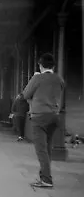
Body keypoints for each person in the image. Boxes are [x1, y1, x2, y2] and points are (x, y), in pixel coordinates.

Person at [22, 53, 64, 188]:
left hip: (39, 116)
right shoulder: (59, 79)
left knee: (41, 149)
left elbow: (26, 94)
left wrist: (34, 78)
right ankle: (44, 176)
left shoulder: (38, 78)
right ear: (53, 66)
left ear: (40, 65)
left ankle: (46, 179)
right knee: (47, 148)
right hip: (54, 115)